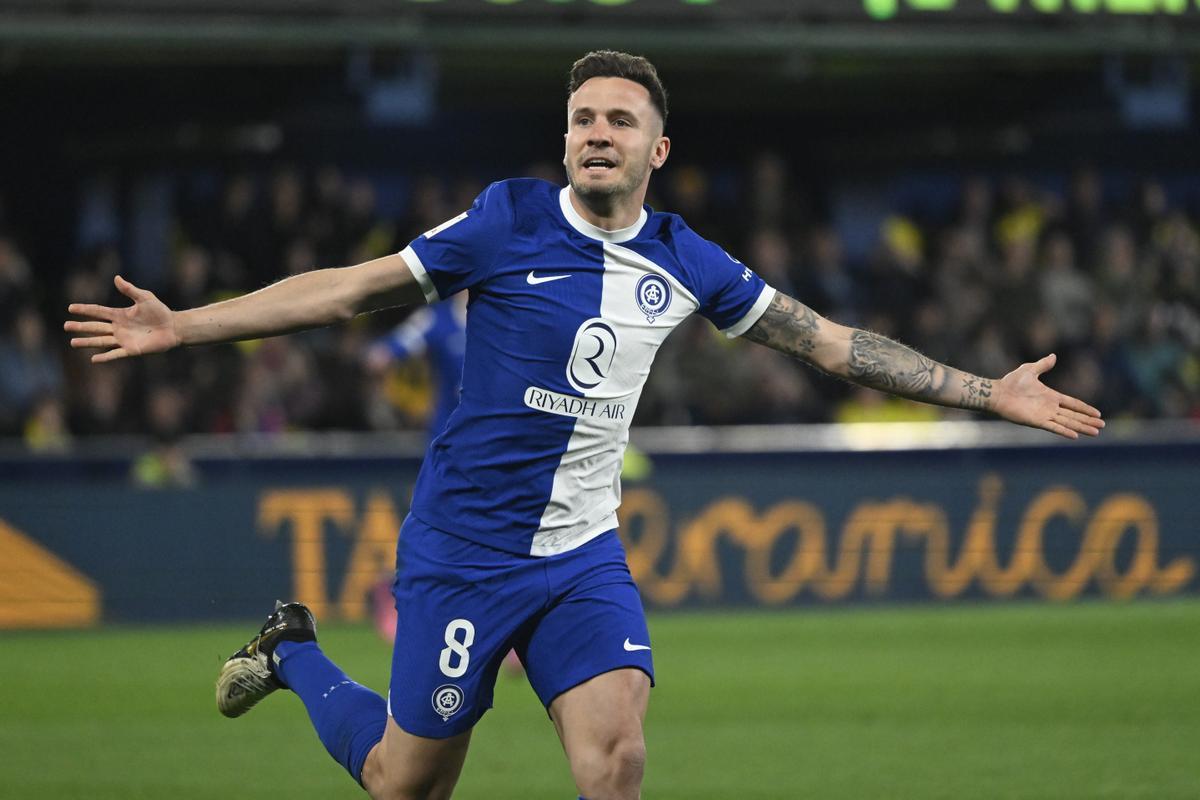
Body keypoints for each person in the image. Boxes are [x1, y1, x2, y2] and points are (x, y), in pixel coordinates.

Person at [65, 50, 1104, 800]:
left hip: (582, 556)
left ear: (659, 145)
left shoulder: (690, 259)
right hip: (464, 552)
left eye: (616, 120)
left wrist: (986, 390)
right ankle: (295, 651)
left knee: (616, 761)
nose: (594, 134)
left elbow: (832, 344)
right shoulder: (506, 219)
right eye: (581, 120)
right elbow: (349, 290)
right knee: (402, 779)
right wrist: (187, 324)